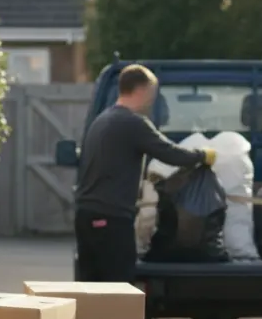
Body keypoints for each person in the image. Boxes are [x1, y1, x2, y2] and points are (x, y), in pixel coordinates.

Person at [74, 64, 216, 283]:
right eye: (152, 93)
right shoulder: (133, 123)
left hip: (86, 216)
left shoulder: (102, 120)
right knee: (119, 287)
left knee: (91, 286)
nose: (152, 99)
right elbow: (169, 153)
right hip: (111, 219)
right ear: (141, 90)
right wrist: (201, 156)